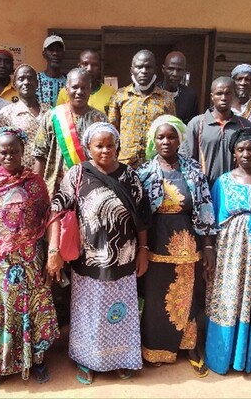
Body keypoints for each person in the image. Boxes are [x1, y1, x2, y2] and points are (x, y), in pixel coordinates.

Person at [47, 122, 150, 384]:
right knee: (89, 313)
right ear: (88, 147)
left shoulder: (130, 176)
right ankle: (86, 359)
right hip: (88, 260)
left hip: (124, 259)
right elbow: (57, 211)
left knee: (120, 313)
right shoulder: (77, 174)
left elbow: (142, 218)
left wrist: (143, 250)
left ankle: (121, 358)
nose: (105, 150)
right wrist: (54, 249)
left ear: (117, 146)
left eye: (110, 145)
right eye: (99, 145)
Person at [0, 127, 59, 387]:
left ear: (23, 151)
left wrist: (50, 255)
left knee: (34, 309)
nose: (9, 156)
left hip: (31, 258)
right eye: (4, 152)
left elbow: (47, 216)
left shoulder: (35, 182)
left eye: (15, 151)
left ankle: (37, 360)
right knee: (3, 311)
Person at [137, 115, 216, 377]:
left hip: (186, 244)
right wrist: (142, 249)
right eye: (160, 137)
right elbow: (140, 215)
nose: (166, 141)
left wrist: (207, 247)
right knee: (157, 298)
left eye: (171, 136)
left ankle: (189, 347)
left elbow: (205, 208)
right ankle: (155, 348)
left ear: (179, 139)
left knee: (187, 297)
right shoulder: (144, 173)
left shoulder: (193, 171)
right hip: (156, 244)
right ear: (153, 140)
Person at [205, 127, 251, 376]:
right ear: (234, 154)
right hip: (230, 254)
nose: (246, 154)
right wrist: (211, 255)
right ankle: (222, 356)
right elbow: (212, 224)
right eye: (241, 150)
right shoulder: (223, 182)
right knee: (229, 300)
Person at [33, 67, 106, 198]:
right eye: (75, 87)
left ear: (90, 90)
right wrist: (36, 191)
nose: (79, 92)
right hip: (57, 189)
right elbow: (40, 155)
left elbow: (105, 157)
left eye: (84, 88)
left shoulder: (99, 119)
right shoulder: (52, 116)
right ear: (66, 90)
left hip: (91, 189)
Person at [108, 49, 176, 169]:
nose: (143, 71)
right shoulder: (119, 96)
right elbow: (112, 132)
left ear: (155, 69)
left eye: (148, 67)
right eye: (139, 67)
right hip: (125, 165)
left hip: (156, 166)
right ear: (132, 70)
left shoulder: (167, 99)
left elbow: (172, 132)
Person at [180, 76, 251, 187]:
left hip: (235, 190)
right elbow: (185, 160)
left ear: (234, 96)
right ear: (212, 97)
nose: (224, 97)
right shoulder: (197, 124)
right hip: (203, 189)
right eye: (219, 93)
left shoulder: (244, 126)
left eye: (228, 93)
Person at [0, 64, 50, 168]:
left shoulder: (50, 111)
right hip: (21, 173)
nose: (26, 82)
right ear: (15, 84)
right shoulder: (6, 113)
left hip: (48, 173)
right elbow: (2, 148)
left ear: (37, 83)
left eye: (30, 78)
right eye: (21, 79)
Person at [56, 49, 115, 114]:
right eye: (85, 64)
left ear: (99, 68)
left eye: (94, 65)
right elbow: (58, 117)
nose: (89, 69)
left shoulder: (111, 93)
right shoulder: (65, 92)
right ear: (79, 66)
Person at [157, 51, 199, 124]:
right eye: (171, 69)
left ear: (184, 72)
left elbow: (193, 126)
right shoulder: (153, 93)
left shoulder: (190, 97)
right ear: (163, 69)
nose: (175, 74)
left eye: (179, 70)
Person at [37, 35, 66, 106]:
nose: (55, 53)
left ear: (63, 54)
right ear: (44, 54)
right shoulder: (35, 80)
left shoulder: (69, 82)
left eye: (58, 50)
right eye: (51, 50)